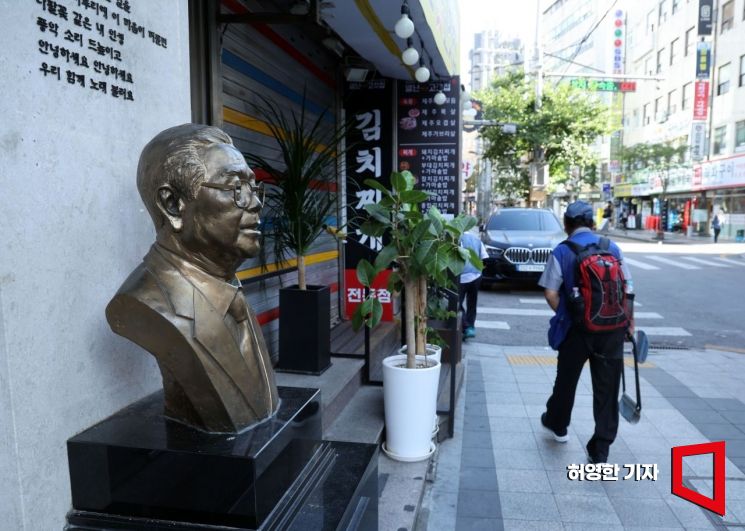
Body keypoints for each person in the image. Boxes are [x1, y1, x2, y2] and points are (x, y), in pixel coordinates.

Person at [106, 124, 279, 433]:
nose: (255, 202)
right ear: (173, 204)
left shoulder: (229, 290)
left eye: (253, 188)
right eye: (235, 189)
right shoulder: (145, 304)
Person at [537, 201, 633, 464]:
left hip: (576, 331)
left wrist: (568, 315)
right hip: (612, 329)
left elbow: (550, 292)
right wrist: (628, 324)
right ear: (591, 223)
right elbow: (628, 287)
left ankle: (558, 425)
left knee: (566, 381)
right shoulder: (612, 248)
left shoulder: (563, 251)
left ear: (567, 224)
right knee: (607, 388)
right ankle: (600, 449)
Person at [459, 231, 489, 339]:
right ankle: (470, 327)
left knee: (457, 304)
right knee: (472, 304)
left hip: (461, 277)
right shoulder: (476, 238)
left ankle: (465, 326)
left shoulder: (457, 237)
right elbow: (485, 257)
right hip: (476, 276)